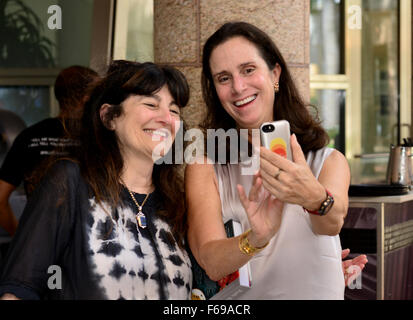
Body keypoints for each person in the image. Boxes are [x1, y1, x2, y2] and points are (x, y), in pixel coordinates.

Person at [185, 21, 366, 299]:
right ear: (215, 90)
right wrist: (255, 238)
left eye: (248, 70)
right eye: (223, 78)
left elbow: (331, 224)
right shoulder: (206, 166)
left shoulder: (327, 160)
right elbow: (211, 262)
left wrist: (312, 195)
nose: (238, 87)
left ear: (275, 73)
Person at [0, 60, 192, 300]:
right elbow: (19, 289)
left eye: (174, 111)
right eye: (151, 104)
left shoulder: (177, 203)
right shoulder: (70, 182)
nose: (166, 118)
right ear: (109, 117)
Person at [0, 66, 98, 237]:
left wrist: (21, 238)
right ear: (86, 98)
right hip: (89, 244)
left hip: (40, 242)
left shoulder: (29, 136)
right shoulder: (99, 139)